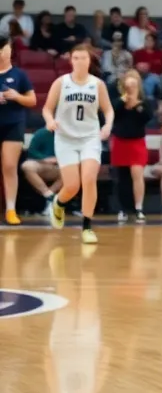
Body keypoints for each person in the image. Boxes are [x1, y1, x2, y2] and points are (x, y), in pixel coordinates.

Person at [43, 44, 112, 244]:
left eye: (84, 58)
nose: (80, 61)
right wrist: (50, 121)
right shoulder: (61, 82)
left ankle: (87, 227)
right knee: (72, 185)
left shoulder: (97, 84)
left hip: (90, 137)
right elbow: (47, 108)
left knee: (89, 179)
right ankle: (59, 202)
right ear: (70, 60)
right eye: (76, 58)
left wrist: (107, 125)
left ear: (89, 61)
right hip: (66, 138)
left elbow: (108, 110)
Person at [0, 35, 37, 224]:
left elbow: (32, 100)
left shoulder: (19, 74)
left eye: (5, 48)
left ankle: (11, 209)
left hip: (13, 123)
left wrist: (16, 96)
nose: (3, 52)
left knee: (9, 166)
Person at [109, 70, 154, 223]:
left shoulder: (144, 103)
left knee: (137, 174)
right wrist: (124, 100)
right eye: (129, 85)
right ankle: (123, 209)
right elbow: (112, 113)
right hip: (120, 142)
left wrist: (136, 104)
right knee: (121, 177)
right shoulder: (118, 102)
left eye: (134, 84)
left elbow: (147, 117)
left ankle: (139, 208)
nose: (131, 87)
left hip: (137, 142)